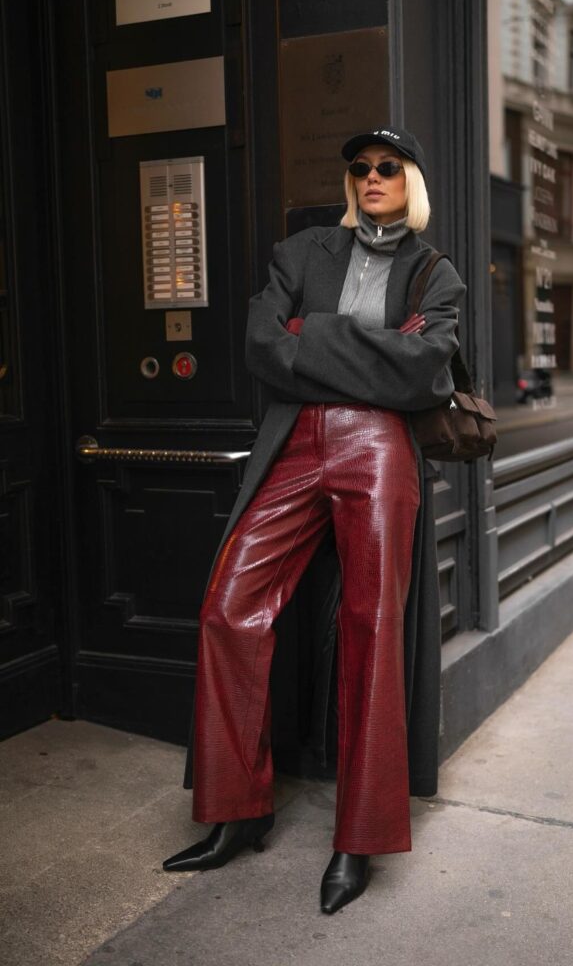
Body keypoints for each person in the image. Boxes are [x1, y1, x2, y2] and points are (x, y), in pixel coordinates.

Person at [162, 126, 466, 914]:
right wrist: (370, 349)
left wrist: (315, 337)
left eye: (387, 168)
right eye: (359, 168)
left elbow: (424, 370)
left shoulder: (435, 274)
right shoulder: (299, 255)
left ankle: (357, 839)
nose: (370, 177)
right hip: (294, 444)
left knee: (372, 633)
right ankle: (237, 810)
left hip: (378, 452)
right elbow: (262, 345)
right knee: (230, 609)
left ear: (411, 183)